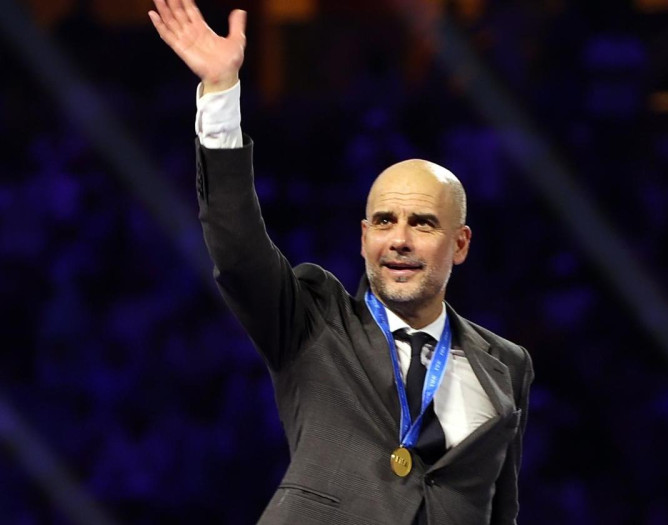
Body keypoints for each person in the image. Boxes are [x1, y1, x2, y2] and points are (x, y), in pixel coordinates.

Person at [148, 1, 533, 523]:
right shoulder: (314, 322)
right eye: (383, 221)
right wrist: (221, 93)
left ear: (460, 243)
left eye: (421, 223)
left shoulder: (506, 364)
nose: (398, 240)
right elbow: (238, 250)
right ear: (363, 237)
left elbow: (500, 510)